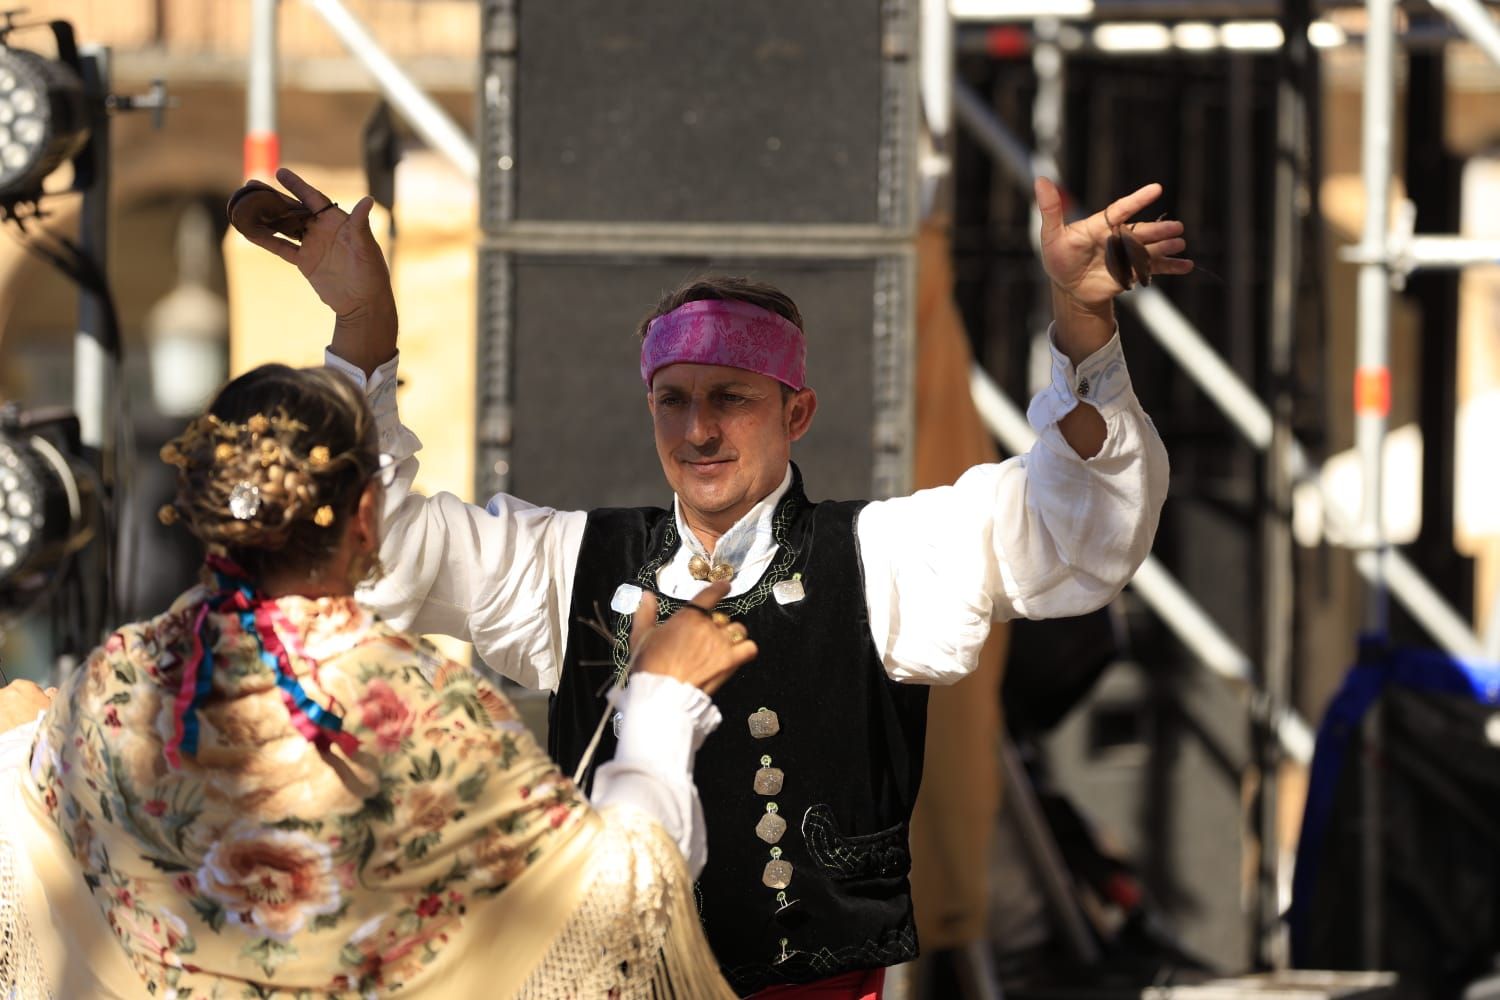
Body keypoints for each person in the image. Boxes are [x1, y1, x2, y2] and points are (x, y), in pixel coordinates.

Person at [235, 167, 1183, 998]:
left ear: (796, 413)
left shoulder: (884, 554)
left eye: (731, 398)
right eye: (674, 401)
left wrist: (1083, 327)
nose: (698, 431)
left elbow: (1078, 531)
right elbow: (379, 549)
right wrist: (363, 327)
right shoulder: (570, 558)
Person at [0, 364, 751, 998]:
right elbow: (617, 900)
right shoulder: (421, 711)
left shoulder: (116, 686)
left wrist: (16, 747)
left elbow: (32, 840)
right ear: (365, 515)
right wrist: (660, 695)